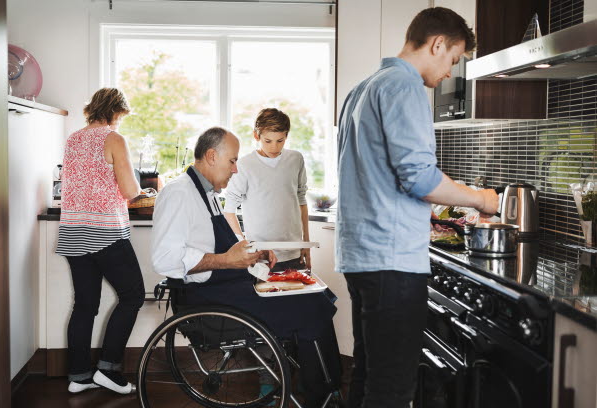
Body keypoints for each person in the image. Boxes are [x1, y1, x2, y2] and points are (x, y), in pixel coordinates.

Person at [335, 7, 500, 408]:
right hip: (391, 260)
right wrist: (481, 199)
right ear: (437, 43)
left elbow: (374, 175)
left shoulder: (364, 87)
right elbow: (420, 179)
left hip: (361, 256)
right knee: (392, 388)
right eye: (453, 59)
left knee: (369, 374)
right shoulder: (404, 87)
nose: (449, 72)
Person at [151, 127, 342, 408]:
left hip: (227, 287)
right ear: (211, 156)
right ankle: (323, 394)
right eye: (232, 161)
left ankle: (321, 385)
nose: (236, 169)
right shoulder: (179, 193)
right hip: (209, 300)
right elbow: (165, 259)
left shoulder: (207, 193)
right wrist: (228, 260)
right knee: (311, 305)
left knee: (314, 290)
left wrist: (253, 253)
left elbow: (220, 247)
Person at [57, 87, 144, 395]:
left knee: (84, 305)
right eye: (121, 116)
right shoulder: (114, 139)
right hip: (105, 232)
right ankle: (108, 369)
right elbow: (130, 189)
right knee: (133, 296)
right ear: (114, 112)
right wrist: (142, 192)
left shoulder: (73, 140)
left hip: (73, 231)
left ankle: (79, 376)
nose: (120, 122)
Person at [224, 108, 311, 271]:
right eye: (268, 141)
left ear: (286, 136)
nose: (274, 147)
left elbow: (301, 201)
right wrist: (244, 245)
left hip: (294, 253)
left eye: (280, 140)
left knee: (295, 296)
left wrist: (306, 243)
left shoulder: (295, 159)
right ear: (256, 136)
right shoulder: (245, 165)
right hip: (260, 256)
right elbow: (229, 210)